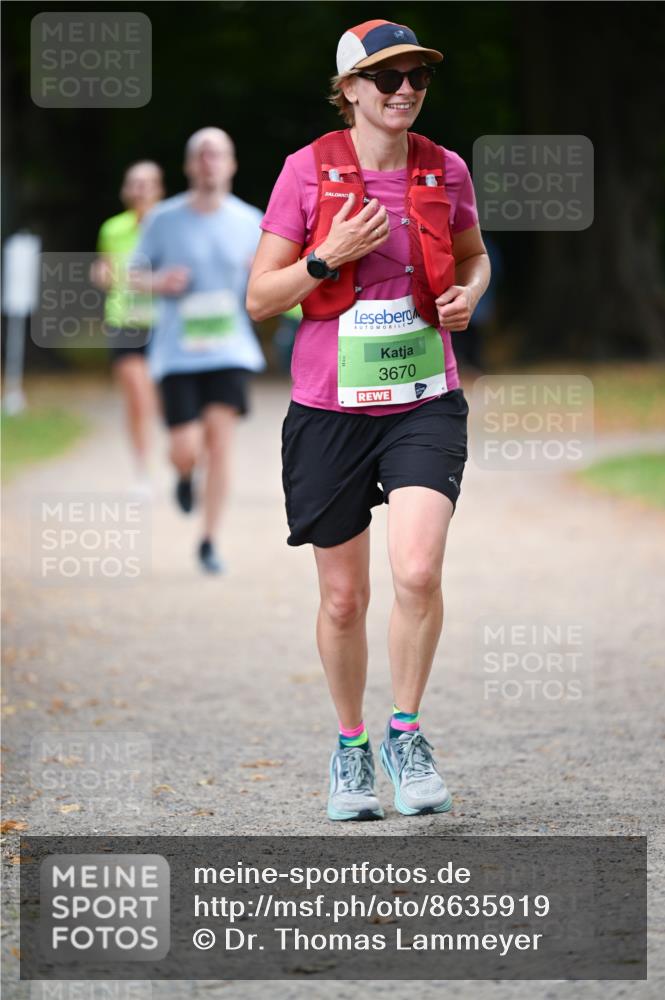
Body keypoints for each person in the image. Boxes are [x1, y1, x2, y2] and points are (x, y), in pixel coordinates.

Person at [247, 19, 490, 819]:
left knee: (417, 571)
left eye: (416, 75)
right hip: (329, 410)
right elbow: (259, 297)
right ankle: (350, 747)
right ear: (348, 88)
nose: (405, 91)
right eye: (386, 78)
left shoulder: (444, 168)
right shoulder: (304, 173)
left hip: (423, 397)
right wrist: (327, 255)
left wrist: (468, 294)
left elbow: (474, 255)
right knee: (344, 598)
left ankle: (406, 732)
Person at [132, 128, 265, 573]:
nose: (209, 162)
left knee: (220, 444)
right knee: (185, 446)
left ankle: (209, 540)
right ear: (189, 165)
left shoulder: (252, 221)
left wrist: (260, 274)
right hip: (177, 351)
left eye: (217, 154)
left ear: (231, 164)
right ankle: (185, 473)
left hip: (229, 349)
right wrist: (158, 281)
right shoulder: (162, 220)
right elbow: (133, 274)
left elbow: (274, 279)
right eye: (201, 155)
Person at [92, 161, 164, 491]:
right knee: (137, 395)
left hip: (163, 323)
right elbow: (105, 270)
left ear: (159, 188)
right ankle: (143, 466)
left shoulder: (171, 224)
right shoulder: (112, 228)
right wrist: (101, 275)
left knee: (163, 396)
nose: (140, 189)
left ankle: (178, 455)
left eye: (147, 183)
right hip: (124, 319)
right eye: (134, 183)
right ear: (125, 189)